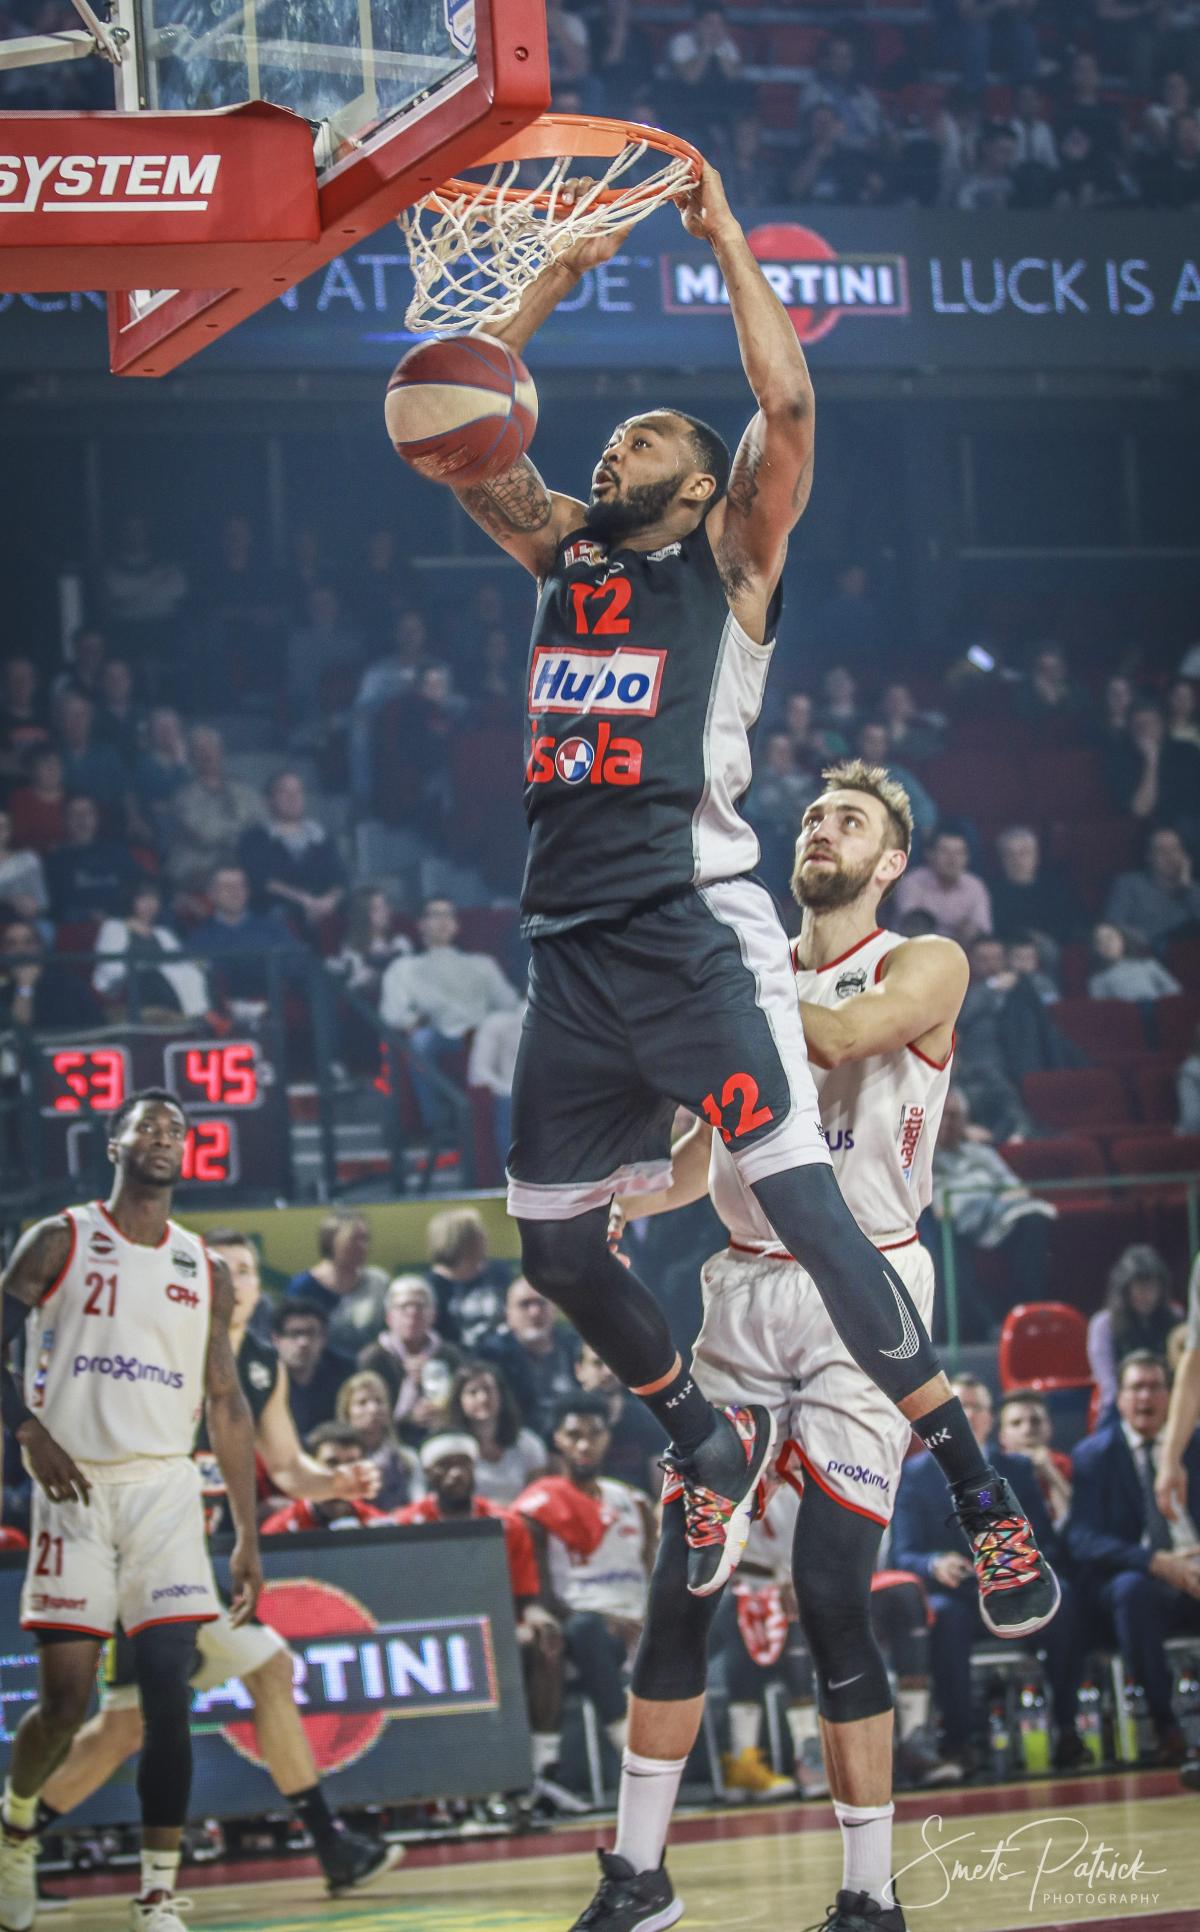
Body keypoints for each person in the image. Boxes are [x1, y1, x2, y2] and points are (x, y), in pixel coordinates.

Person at [441, 165, 1058, 1634]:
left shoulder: (728, 564)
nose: (617, 442)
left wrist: (723, 239)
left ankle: (979, 1490)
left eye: (649, 436)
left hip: (692, 921)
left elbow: (788, 409)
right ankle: (700, 1444)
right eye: (616, 434)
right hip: (568, 945)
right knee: (554, 1250)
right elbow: (464, 434)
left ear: (701, 485)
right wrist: (548, 283)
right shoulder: (564, 551)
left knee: (807, 1207)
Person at [570, 760, 1049, 1932]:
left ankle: (868, 1895)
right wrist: (620, 1200)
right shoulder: (752, 971)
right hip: (743, 1289)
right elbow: (700, 1160)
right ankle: (639, 1877)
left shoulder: (922, 962)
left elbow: (835, 1038)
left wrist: (714, 986)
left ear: (892, 861)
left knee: (833, 1590)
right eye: (816, 816)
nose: (823, 828)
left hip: (865, 1288)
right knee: (680, 1591)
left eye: (852, 820)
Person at [36, 1229, 399, 1898]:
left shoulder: (259, 1361)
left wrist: (334, 1482)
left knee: (123, 1728)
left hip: (182, 1556)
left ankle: (13, 1837)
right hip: (134, 1548)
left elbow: (287, 1466)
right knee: (267, 1669)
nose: (238, 1280)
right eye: (221, 1268)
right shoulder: (150, 1342)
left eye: (248, 1270)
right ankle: (332, 1847)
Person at [0, 1089, 262, 1932]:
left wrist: (249, 1534)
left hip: (165, 1492)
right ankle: (15, 1823)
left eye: (176, 1130)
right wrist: (25, 1428)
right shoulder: (58, 1239)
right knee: (66, 1705)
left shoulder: (203, 1267)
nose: (162, 1138)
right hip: (73, 1490)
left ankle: (156, 1892)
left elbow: (226, 1400)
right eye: (146, 1125)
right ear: (113, 1142)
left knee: (166, 1692)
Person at [892, 1376, 1084, 1785]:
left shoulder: (1017, 1468)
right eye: (959, 1406)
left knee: (1066, 1602)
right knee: (943, 1617)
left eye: (976, 1407)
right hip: (957, 1593)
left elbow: (1045, 1541)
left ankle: (1068, 1728)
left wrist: (1019, 1558)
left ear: (990, 1417)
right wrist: (934, 1563)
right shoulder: (914, 1474)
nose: (968, 1415)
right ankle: (959, 1741)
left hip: (1016, 1584)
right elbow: (903, 1553)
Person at [1066, 1351, 1200, 1766]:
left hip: (1194, 1570)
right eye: (1136, 1387)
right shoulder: (1094, 1454)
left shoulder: (1194, 1445)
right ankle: (1166, 1727)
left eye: (1155, 1387)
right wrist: (1154, 1561)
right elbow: (1082, 1538)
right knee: (1132, 1592)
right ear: (1120, 1399)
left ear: (1172, 1395)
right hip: (1135, 1579)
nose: (1146, 1397)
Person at [517, 1396, 655, 1797]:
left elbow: (653, 1577)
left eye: (594, 1434)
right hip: (583, 1624)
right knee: (584, 1630)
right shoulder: (538, 1506)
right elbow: (540, 1592)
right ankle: (631, 1752)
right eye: (573, 1435)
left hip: (638, 1623)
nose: (584, 1444)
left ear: (608, 1437)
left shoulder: (635, 1501)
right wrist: (608, 1621)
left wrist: (651, 1622)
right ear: (557, 1440)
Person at [931, 1086, 1056, 1337]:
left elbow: (1016, 1189)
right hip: (953, 1224)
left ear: (965, 1121)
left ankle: (1024, 1312)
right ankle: (984, 1324)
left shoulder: (982, 1154)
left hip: (998, 1217)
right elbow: (938, 1205)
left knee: (1034, 1221)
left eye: (954, 1116)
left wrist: (999, 1201)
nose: (947, 1123)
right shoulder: (924, 1159)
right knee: (945, 1239)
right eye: (942, 1116)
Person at [238, 770, 347, 938]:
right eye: (284, 792)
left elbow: (340, 877)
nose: (293, 798)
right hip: (278, 911)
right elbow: (261, 881)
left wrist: (328, 902)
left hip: (323, 909)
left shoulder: (321, 836)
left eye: (298, 791)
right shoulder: (255, 838)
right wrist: (305, 901)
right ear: (268, 800)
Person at [357, 1275, 461, 1442]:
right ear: (389, 1317)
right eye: (404, 1306)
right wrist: (409, 1417)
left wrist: (442, 1409)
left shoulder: (450, 1355)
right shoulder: (373, 1358)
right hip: (389, 1441)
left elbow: (462, 1403)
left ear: (433, 1314)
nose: (412, 1313)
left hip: (444, 1437)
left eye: (420, 1306)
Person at [1087, 1246, 1184, 1415]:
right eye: (1139, 1287)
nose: (1147, 1295)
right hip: (1120, 1407)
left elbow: (1183, 1373)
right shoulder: (1103, 1325)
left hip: (1170, 1404)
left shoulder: (1175, 1318)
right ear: (1125, 1290)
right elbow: (1108, 1385)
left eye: (1152, 1287)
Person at [166, 727, 262, 899]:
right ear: (192, 756)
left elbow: (260, 823)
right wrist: (242, 833)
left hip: (242, 863)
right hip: (199, 868)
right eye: (201, 749)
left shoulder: (244, 789)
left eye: (212, 747)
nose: (207, 754)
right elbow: (206, 834)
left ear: (221, 752)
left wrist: (244, 837)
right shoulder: (184, 796)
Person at [92, 882, 210, 1020]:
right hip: (130, 987)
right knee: (152, 978)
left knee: (198, 973)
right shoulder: (114, 927)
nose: (150, 904)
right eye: (143, 898)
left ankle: (201, 1019)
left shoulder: (163, 933)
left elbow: (180, 961)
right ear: (131, 900)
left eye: (154, 898)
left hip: (164, 987)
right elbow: (111, 969)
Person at [188, 865, 302, 1006]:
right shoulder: (199, 939)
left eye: (240, 886)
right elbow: (200, 976)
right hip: (222, 1012)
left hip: (275, 1007)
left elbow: (296, 965)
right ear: (211, 893)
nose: (235, 892)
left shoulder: (273, 927)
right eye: (227, 887)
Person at [481, 1278, 581, 1439]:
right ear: (508, 1313)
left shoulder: (575, 1346)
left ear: (554, 1308)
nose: (535, 1312)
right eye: (524, 1304)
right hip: (517, 1440)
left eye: (541, 1303)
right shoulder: (491, 1355)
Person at [286, 1210, 389, 1356]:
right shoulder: (302, 1287)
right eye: (354, 1239)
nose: (362, 1246)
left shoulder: (378, 1282)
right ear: (330, 1241)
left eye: (365, 1239)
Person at [446, 1362, 548, 1506]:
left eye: (488, 1390)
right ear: (459, 1400)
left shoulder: (528, 1444)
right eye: (473, 1392)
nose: (483, 1398)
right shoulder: (450, 1449)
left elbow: (537, 1497)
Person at [574, 1343, 666, 1497]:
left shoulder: (647, 1419)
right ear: (579, 1370)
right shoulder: (565, 1421)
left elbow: (662, 1490)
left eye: (613, 1363)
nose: (608, 1372)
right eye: (597, 1363)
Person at [260, 1424, 388, 1532]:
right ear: (310, 1466)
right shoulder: (279, 1530)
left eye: (351, 1463)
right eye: (332, 1463)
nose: (344, 1472)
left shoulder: (376, 1524)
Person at [333, 1371, 422, 1511]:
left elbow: (419, 1505)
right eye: (362, 1403)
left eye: (379, 1401)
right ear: (347, 1412)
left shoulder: (408, 1459)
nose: (373, 1409)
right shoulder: (337, 1462)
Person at [44, 794, 140, 923]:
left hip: (119, 923)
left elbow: (136, 888)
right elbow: (55, 906)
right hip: (76, 927)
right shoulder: (57, 860)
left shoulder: (117, 852)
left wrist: (112, 915)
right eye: (75, 814)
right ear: (65, 820)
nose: (82, 819)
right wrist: (86, 915)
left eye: (88, 813)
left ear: (97, 817)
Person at [424, 1206, 511, 1349]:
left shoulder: (498, 1272)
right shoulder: (430, 1286)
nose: (485, 1238)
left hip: (502, 1354)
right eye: (476, 1235)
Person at [0, 919, 105, 1033]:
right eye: (12, 944)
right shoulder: (3, 992)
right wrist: (25, 986)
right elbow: (17, 1033)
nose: (21, 950)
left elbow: (97, 1030)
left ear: (40, 947)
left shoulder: (68, 984)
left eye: (28, 942)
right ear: (4, 951)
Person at [271, 1299, 354, 1440]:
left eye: (311, 1333)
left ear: (324, 1338)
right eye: (294, 1334)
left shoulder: (344, 1371)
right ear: (276, 1339)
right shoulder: (264, 1377)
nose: (303, 1342)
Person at [1105, 827, 1200, 950]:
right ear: (1148, 856)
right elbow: (1112, 923)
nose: (1169, 856)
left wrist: (1187, 887)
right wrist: (1137, 938)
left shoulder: (1192, 889)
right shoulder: (1129, 884)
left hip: (1187, 954)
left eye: (1174, 849)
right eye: (1160, 850)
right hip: (1144, 954)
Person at [895, 828, 993, 945]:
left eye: (959, 853)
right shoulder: (912, 882)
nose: (952, 859)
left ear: (967, 857)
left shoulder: (975, 885)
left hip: (961, 950)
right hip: (917, 947)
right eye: (945, 852)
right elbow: (912, 926)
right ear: (929, 854)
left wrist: (972, 930)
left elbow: (983, 929)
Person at [997, 1391, 1073, 1528]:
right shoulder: (991, 1471)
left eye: (1035, 1421)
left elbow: (1082, 1521)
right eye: (1016, 1423)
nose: (1027, 1430)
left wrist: (1052, 1474)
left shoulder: (1067, 1465)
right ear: (1002, 1435)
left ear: (1049, 1427)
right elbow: (983, 1507)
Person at [0, 811, 47, 922]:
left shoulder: (27, 860)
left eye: (3, 827)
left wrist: (30, 906)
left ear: (10, 831)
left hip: (19, 921)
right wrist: (9, 899)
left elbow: (41, 903)